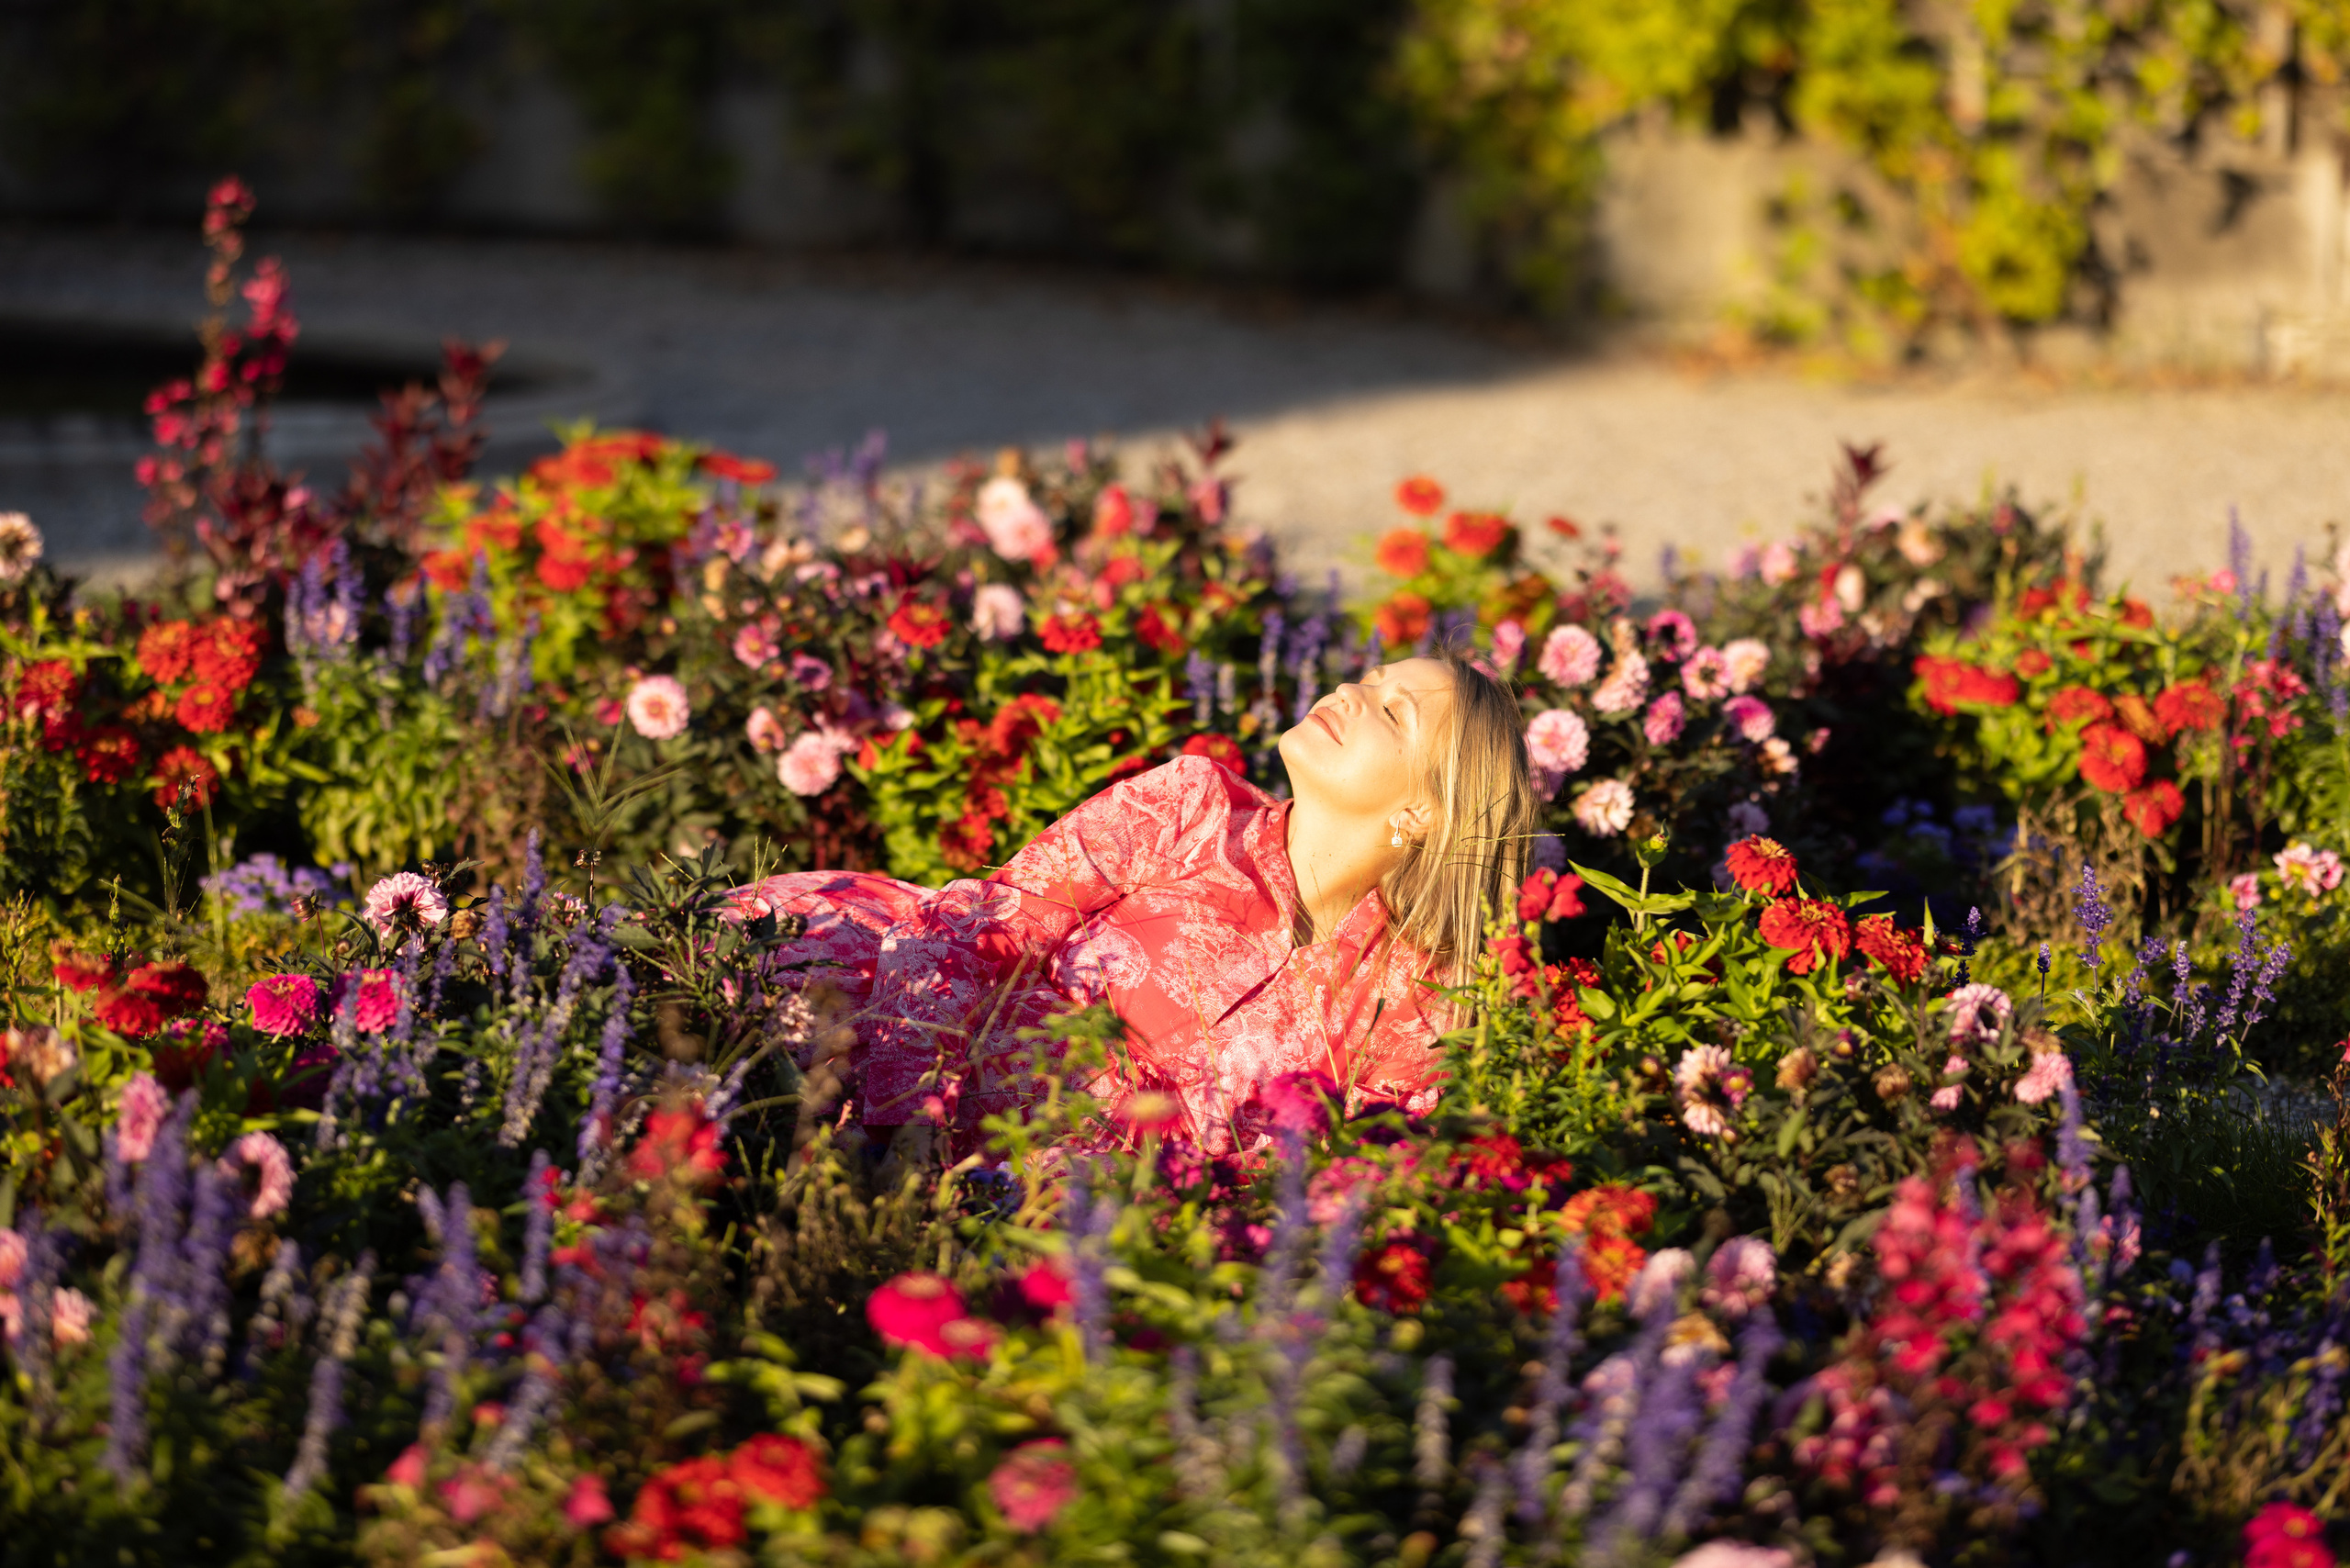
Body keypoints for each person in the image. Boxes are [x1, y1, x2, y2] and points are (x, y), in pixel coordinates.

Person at [728, 647, 1538, 1152]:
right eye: (1368, 677)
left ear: (1426, 809)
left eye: (1393, 711)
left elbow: (1334, 1189)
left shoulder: (1407, 1006)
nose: (1351, 691)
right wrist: (904, 1124)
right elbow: (980, 928)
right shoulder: (1193, 806)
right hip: (872, 1018)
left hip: (1048, 1227)